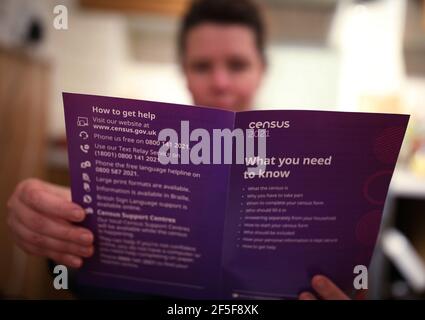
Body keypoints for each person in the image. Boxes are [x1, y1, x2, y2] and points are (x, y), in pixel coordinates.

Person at [7, 0, 350, 300]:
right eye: (202, 66)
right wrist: (55, 237)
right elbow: (86, 286)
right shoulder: (143, 165)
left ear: (262, 71)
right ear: (185, 74)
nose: (220, 82)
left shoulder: (314, 179)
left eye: (237, 65)